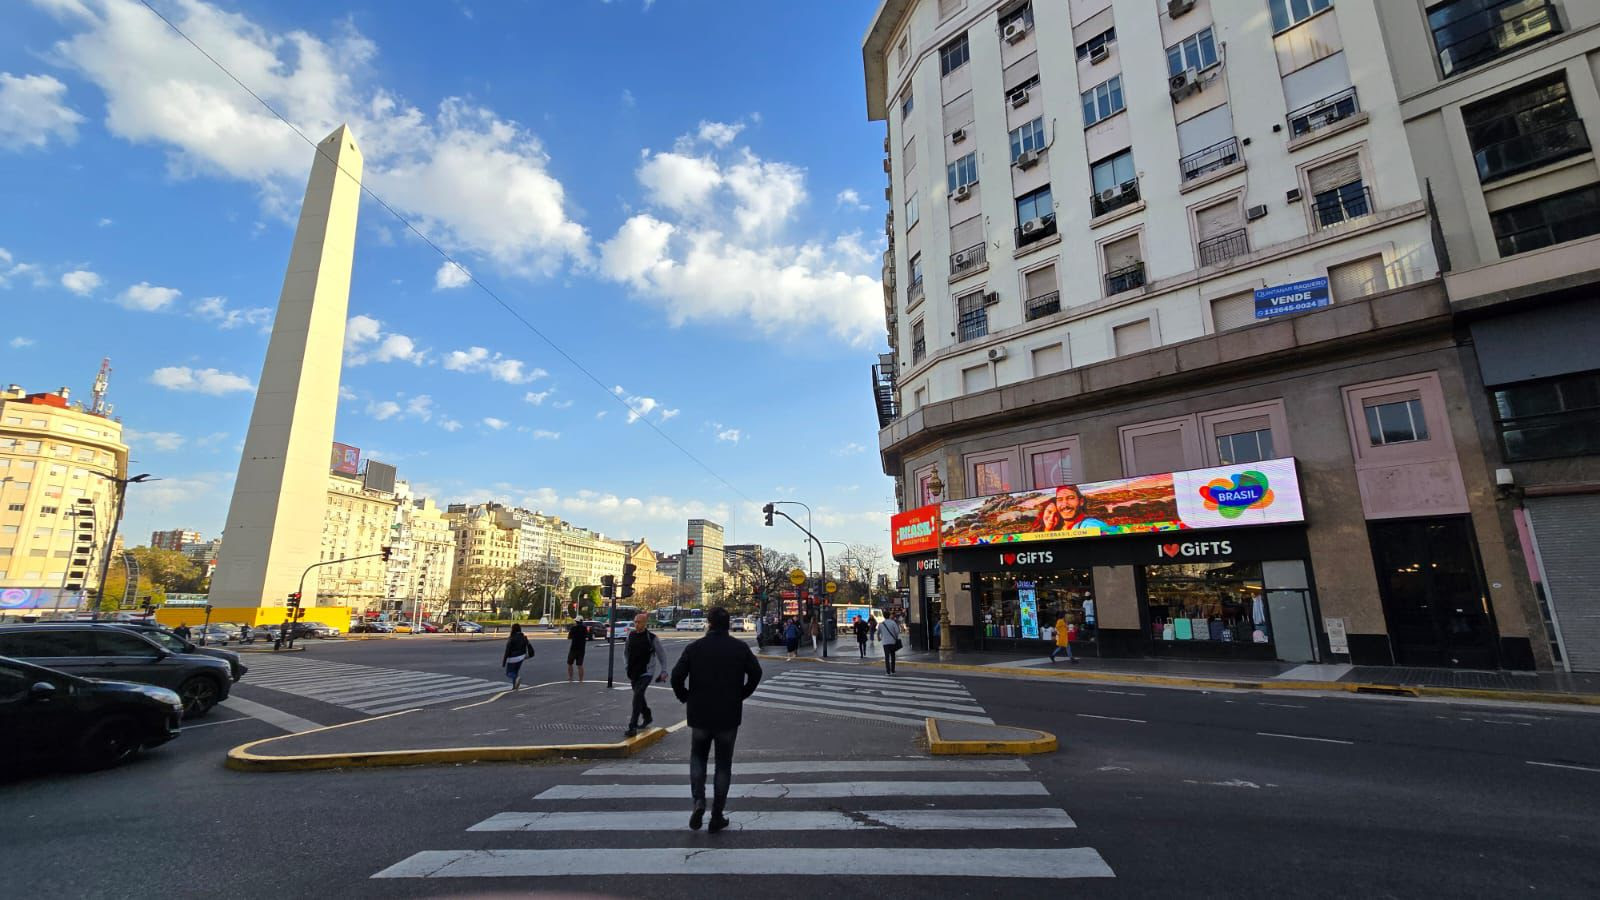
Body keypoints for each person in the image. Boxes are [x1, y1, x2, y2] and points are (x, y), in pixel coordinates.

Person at [670, 607, 762, 834]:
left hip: (699, 713)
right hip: (728, 714)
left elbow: (676, 676)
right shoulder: (739, 648)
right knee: (723, 764)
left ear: (709, 623)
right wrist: (742, 694)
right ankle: (717, 814)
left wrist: (686, 697)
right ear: (728, 623)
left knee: (698, 758)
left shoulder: (694, 648)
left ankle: (698, 801)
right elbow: (756, 673)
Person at [624, 613, 670, 737]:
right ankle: (647, 716)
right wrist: (627, 665)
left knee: (637, 695)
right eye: (635, 622)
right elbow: (626, 652)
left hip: (646, 672)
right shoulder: (631, 636)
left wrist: (664, 671)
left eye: (639, 622)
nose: (636, 624)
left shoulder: (652, 638)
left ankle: (632, 726)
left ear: (645, 623)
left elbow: (662, 655)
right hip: (633, 672)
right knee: (639, 697)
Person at [1034, 485, 1110, 533]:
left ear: (1081, 502)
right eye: (1060, 499)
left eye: (1070, 498)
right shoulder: (1060, 528)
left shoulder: (1091, 525)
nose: (1065, 505)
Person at [502, 623, 533, 690]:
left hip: (513, 657)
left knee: (509, 673)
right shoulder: (523, 637)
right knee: (515, 671)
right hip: (522, 657)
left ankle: (516, 678)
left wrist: (504, 661)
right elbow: (527, 646)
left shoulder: (512, 638)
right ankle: (514, 686)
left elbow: (507, 650)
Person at [566, 618, 589, 682]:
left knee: (570, 663)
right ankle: (581, 679)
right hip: (581, 649)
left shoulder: (573, 628)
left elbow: (569, 637)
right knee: (580, 665)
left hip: (573, 648)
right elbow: (587, 636)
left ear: (576, 621)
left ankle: (571, 678)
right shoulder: (584, 628)